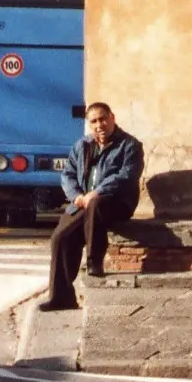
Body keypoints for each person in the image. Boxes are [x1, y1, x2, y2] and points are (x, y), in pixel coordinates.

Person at [39, 102, 143, 313]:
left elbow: (126, 176)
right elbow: (67, 174)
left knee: (96, 203)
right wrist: (76, 196)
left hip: (116, 202)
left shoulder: (130, 146)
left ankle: (94, 261)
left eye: (103, 119)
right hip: (84, 203)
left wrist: (98, 192)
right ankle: (62, 297)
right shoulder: (82, 145)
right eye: (94, 121)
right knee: (61, 238)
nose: (99, 125)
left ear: (112, 118)